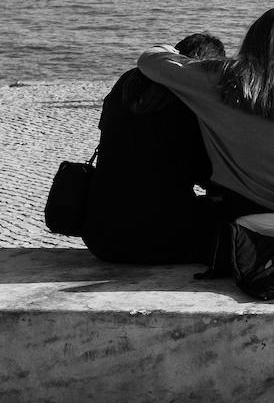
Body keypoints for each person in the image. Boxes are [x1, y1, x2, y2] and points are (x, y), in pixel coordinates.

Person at [136, 6, 274, 248]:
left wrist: (169, 50)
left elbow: (149, 61)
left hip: (252, 223)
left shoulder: (224, 78)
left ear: (253, 38)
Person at [82, 32, 227, 264]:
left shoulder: (125, 83)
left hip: (100, 237)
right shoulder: (190, 100)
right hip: (161, 240)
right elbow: (207, 172)